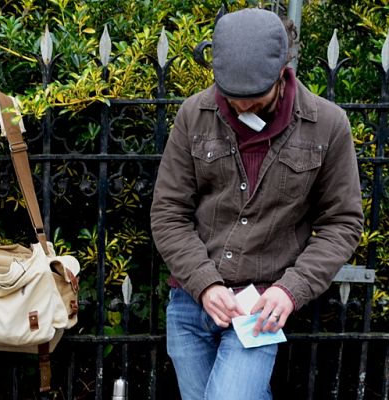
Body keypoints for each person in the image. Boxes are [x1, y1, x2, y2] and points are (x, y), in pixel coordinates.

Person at [150, 8, 364, 400]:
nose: (241, 107)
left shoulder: (328, 125)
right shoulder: (194, 114)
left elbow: (342, 223)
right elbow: (168, 213)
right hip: (190, 302)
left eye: (253, 98)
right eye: (231, 98)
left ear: (283, 73)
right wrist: (204, 283)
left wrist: (291, 290)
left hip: (261, 309)